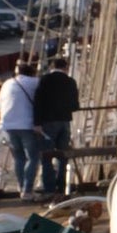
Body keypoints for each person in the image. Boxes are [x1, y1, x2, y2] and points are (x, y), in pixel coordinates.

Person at [34, 57, 80, 196]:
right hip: (65, 122)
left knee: (47, 156)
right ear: (66, 67)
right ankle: (62, 186)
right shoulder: (70, 81)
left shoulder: (45, 80)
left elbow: (38, 102)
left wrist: (37, 123)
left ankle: (49, 188)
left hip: (48, 122)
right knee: (63, 155)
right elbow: (75, 106)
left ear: (52, 67)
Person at [0, 62, 43, 200]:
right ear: (32, 72)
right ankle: (27, 190)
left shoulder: (6, 84)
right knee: (33, 157)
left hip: (8, 125)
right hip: (26, 125)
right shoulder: (35, 82)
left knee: (18, 158)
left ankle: (21, 186)